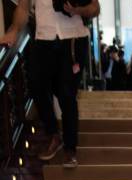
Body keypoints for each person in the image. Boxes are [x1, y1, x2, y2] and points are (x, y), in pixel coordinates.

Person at [0, 0, 100, 168]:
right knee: (35, 84)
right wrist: (14, 30)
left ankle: (70, 150)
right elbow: (23, 7)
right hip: (44, 38)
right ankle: (54, 133)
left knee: (66, 94)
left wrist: (78, 10)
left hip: (74, 38)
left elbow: (95, 8)